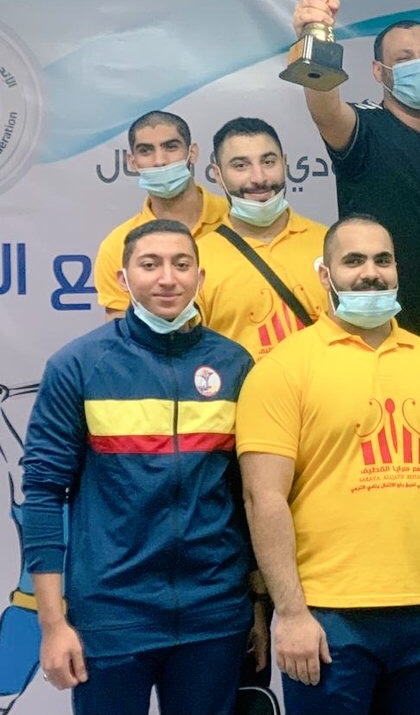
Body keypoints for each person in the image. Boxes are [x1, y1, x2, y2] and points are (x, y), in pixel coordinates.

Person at [236, 214, 420, 715]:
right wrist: (290, 612)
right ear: (325, 274)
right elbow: (262, 497)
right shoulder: (283, 369)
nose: (371, 273)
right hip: (329, 618)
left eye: (383, 260)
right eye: (353, 261)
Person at [22, 219, 262, 715]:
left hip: (214, 615)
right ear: (124, 278)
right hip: (111, 615)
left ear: (200, 276)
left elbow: (250, 494)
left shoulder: (235, 364)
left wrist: (257, 601)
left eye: (181, 264)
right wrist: (51, 623)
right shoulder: (78, 365)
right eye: (150, 265)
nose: (167, 278)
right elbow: (43, 493)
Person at [290, 0, 420, 336]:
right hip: (378, 324)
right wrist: (313, 38)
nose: (419, 66)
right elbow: (325, 110)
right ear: (378, 70)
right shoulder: (364, 127)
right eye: (404, 59)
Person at [196, 117, 326, 360]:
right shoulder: (197, 259)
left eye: (268, 162)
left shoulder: (329, 245)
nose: (259, 177)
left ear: (284, 163)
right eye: (240, 166)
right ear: (217, 175)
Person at [94, 110, 229, 319]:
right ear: (132, 161)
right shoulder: (117, 245)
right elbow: (120, 334)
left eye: (170, 147)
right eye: (146, 151)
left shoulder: (236, 219)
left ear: (192, 153)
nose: (160, 161)